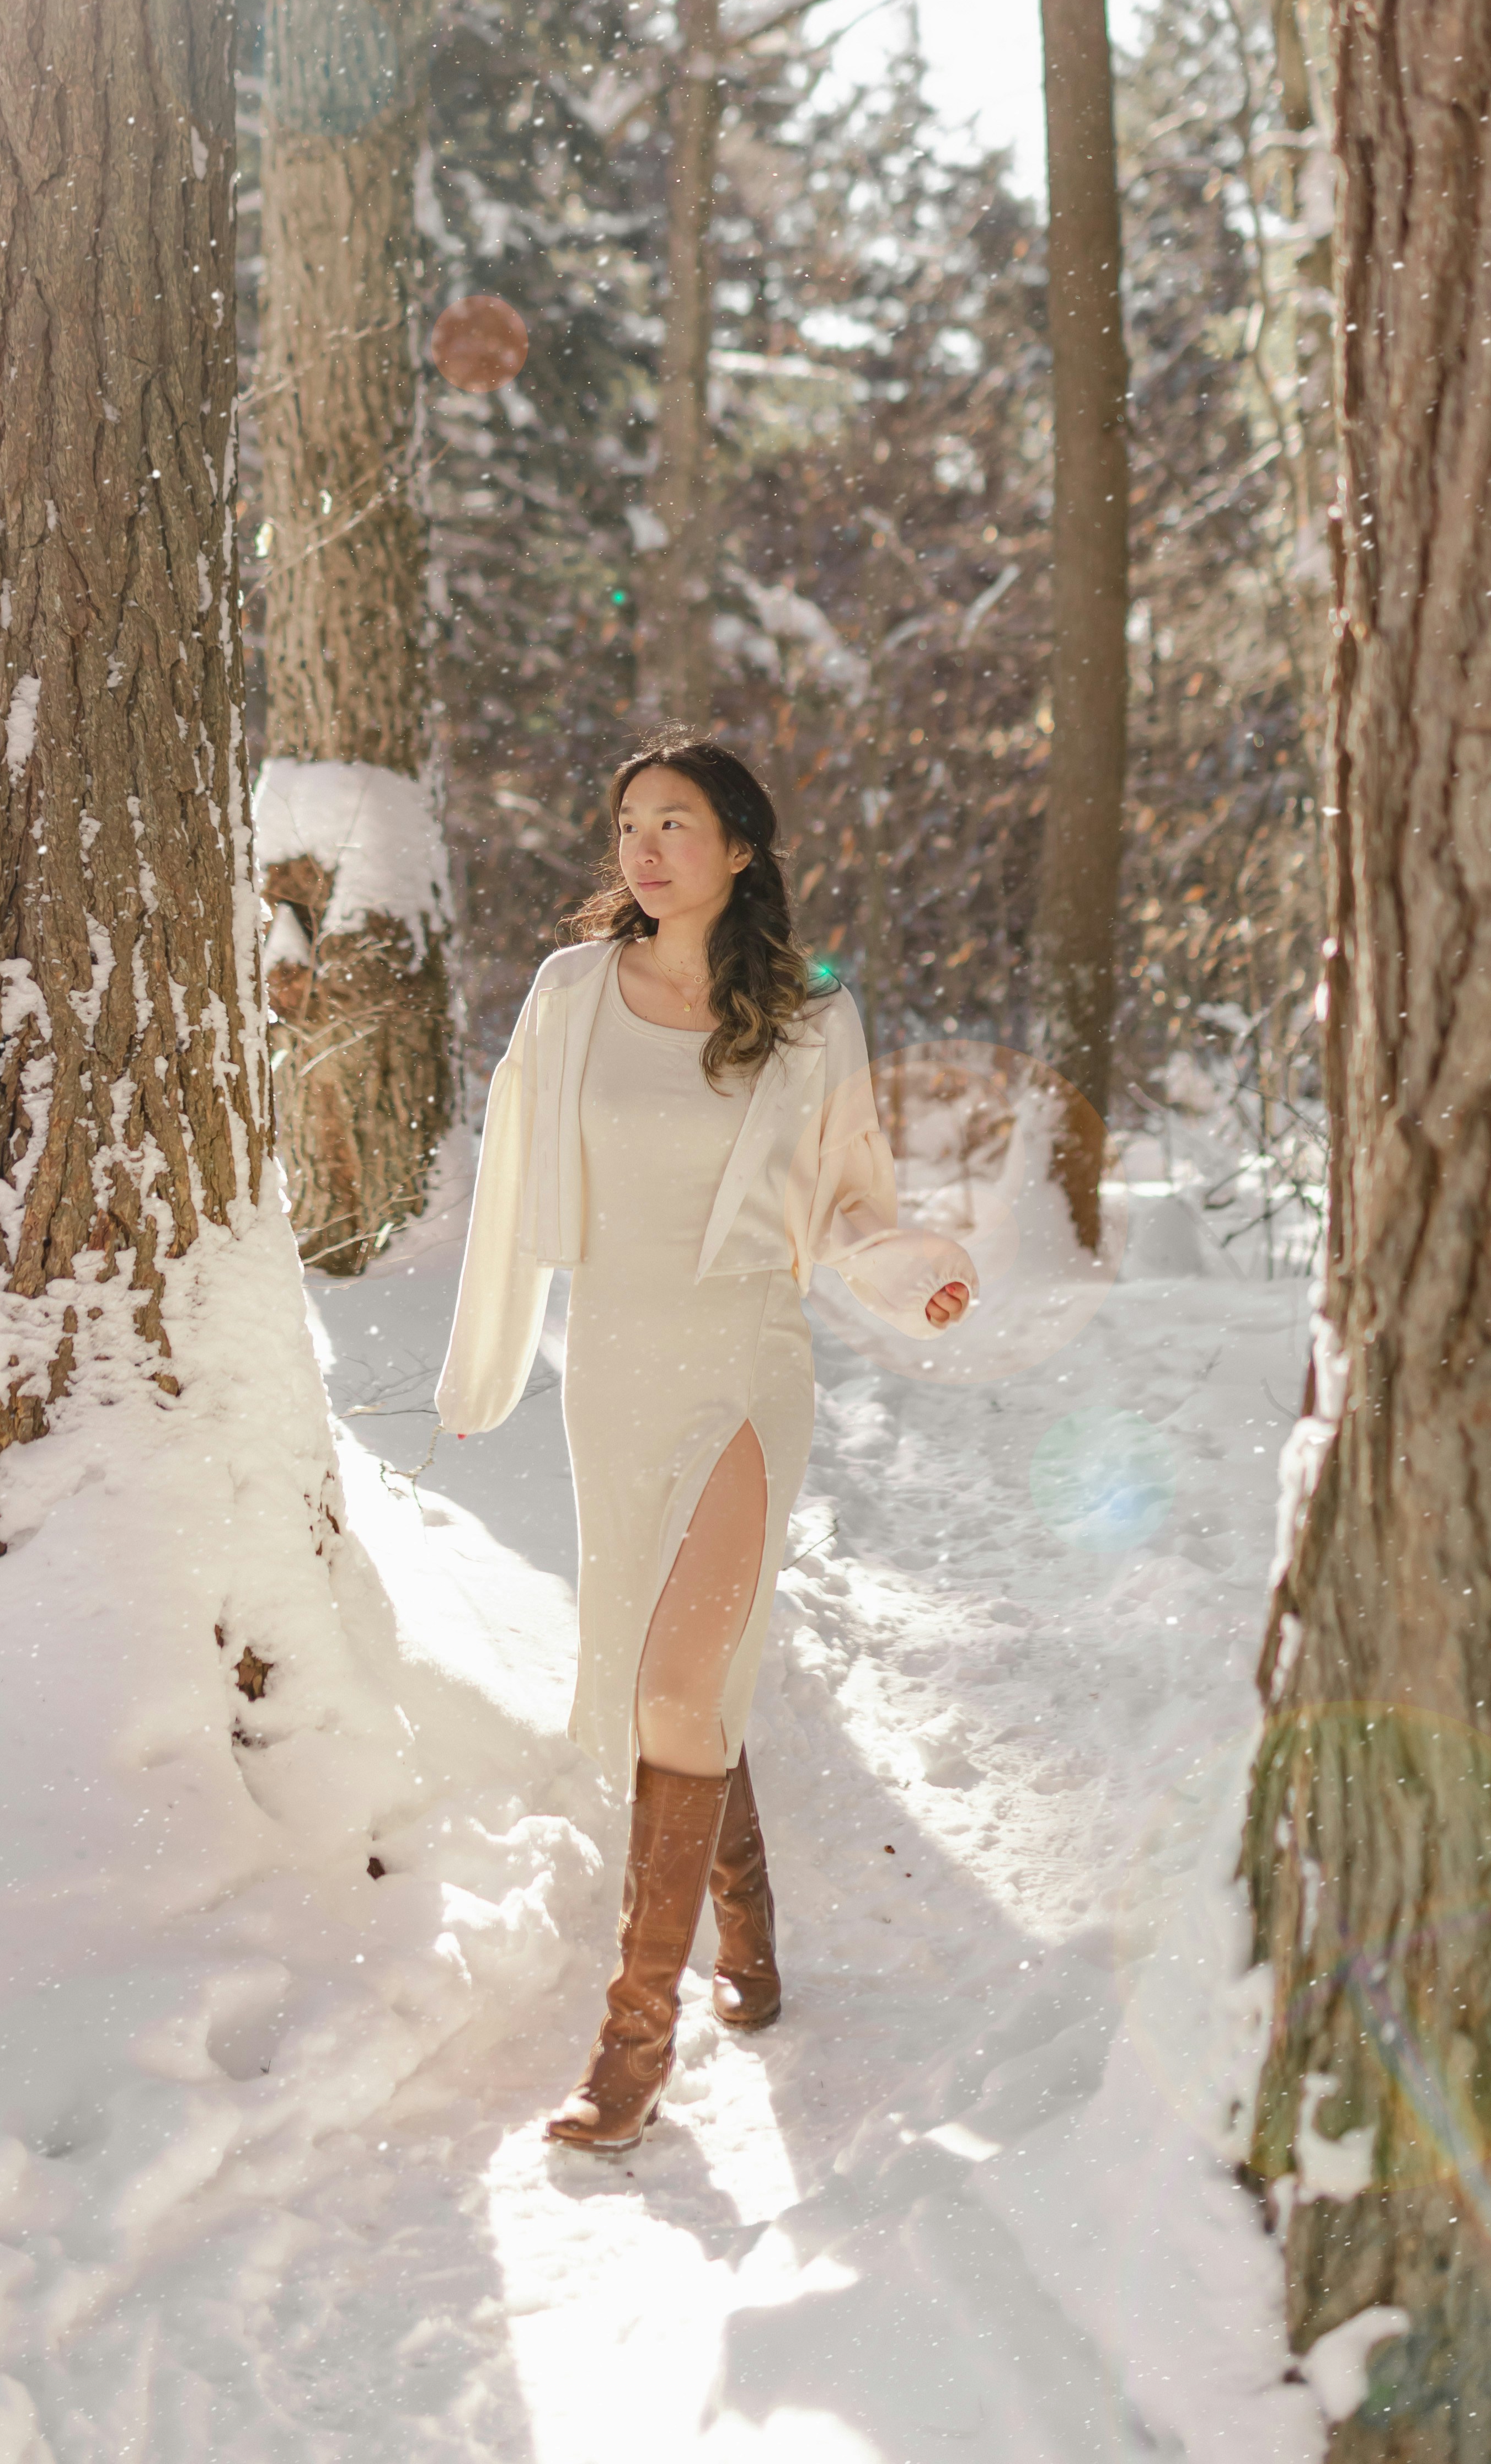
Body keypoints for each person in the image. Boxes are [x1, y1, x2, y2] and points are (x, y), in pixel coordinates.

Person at [436, 736, 976, 2154]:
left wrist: (906, 1262)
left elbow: (854, 1202)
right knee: (670, 1683)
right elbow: (503, 1184)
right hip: (612, 1364)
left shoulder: (808, 1015)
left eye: (676, 823)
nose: (644, 848)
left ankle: (631, 2043)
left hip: (743, 1364)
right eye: (627, 825)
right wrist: (483, 1358)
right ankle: (745, 1926)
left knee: (680, 1674)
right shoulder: (568, 997)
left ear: (740, 849)